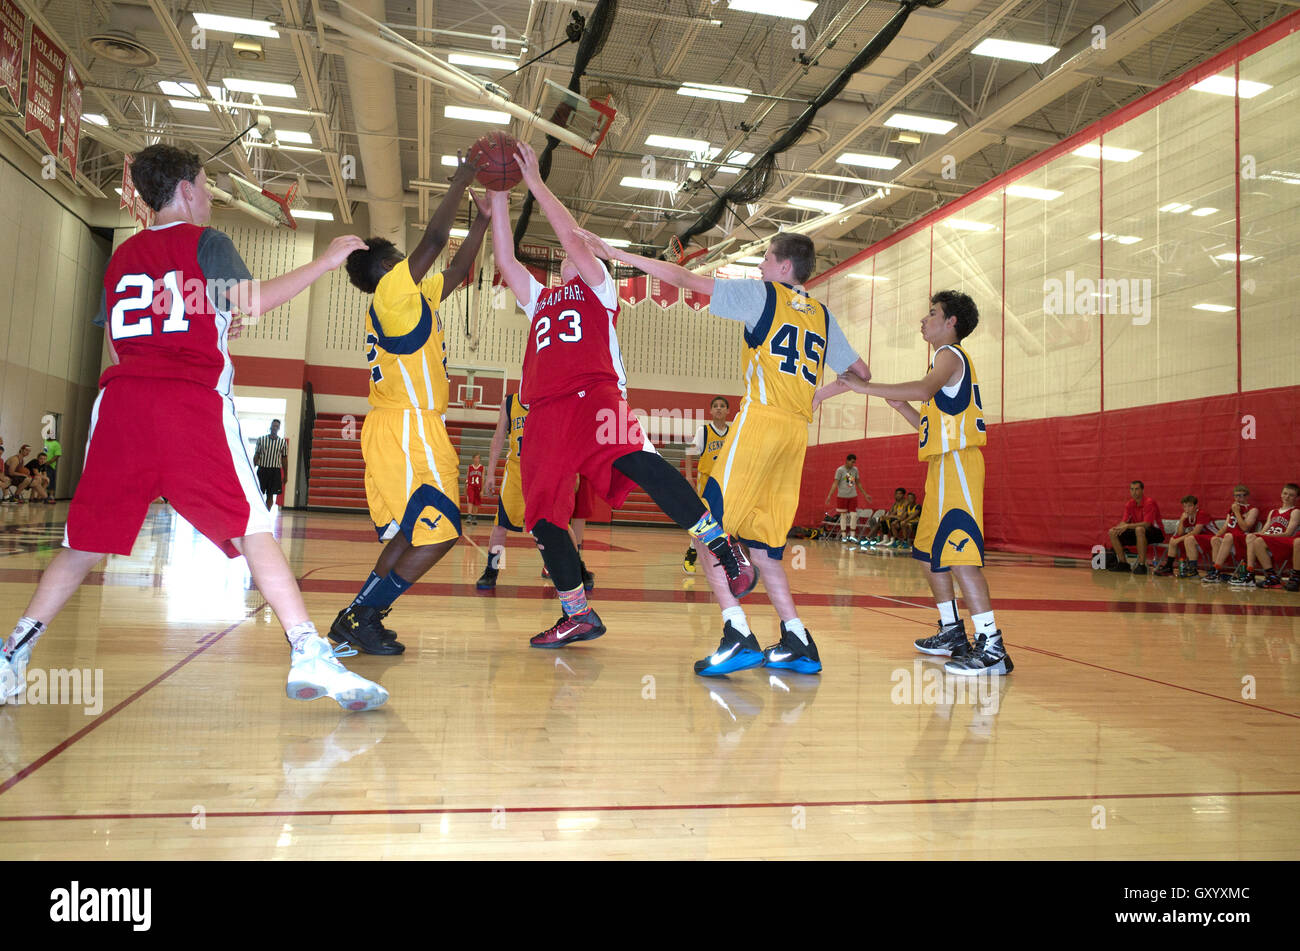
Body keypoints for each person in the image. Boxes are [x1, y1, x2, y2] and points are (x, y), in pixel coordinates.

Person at [0, 142, 386, 713]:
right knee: (254, 526)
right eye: (206, 186)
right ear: (185, 189)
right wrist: (326, 262)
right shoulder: (207, 242)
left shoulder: (123, 254)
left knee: (82, 543)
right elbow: (252, 302)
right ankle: (307, 650)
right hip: (189, 404)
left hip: (122, 405)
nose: (209, 197)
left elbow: (114, 341)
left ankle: (12, 654)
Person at [490, 143, 753, 650]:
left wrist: (535, 184)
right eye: (565, 256)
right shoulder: (540, 299)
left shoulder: (600, 286)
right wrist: (500, 196)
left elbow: (571, 236)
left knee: (642, 462)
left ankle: (721, 545)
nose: (568, 254)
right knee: (541, 518)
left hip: (595, 398)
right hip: (543, 414)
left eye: (574, 252)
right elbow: (504, 257)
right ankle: (577, 613)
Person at [578, 228, 868, 676]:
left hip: (759, 425)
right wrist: (816, 395)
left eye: (767, 259)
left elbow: (687, 280)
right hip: (795, 436)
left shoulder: (762, 296)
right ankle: (797, 638)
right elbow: (859, 373)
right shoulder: (823, 316)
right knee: (766, 549)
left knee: (706, 531)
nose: (760, 266)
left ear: (784, 268)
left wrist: (616, 251)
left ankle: (738, 634)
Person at [330, 154, 492, 655]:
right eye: (399, 257)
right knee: (441, 533)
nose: (408, 261)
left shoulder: (411, 298)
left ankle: (356, 619)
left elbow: (458, 268)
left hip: (407, 428)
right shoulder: (391, 295)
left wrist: (483, 220)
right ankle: (362, 616)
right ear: (386, 268)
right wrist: (462, 181)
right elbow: (436, 243)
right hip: (406, 431)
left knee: (407, 535)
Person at [829, 291, 1012, 676]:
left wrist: (867, 389)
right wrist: (901, 407)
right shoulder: (942, 365)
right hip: (941, 465)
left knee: (960, 557)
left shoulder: (950, 356)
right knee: (930, 556)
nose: (924, 320)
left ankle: (992, 646)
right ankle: (951, 631)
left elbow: (922, 388)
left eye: (932, 314)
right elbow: (928, 425)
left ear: (952, 323)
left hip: (958, 466)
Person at [683, 396, 732, 573]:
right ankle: (692, 551)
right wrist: (689, 476)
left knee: (724, 520)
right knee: (703, 520)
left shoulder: (732, 433)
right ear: (710, 411)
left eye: (722, 406)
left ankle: (721, 555)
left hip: (725, 483)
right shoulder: (703, 431)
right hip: (706, 481)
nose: (719, 409)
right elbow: (689, 452)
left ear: (728, 411)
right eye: (715, 406)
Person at [1231, 483, 1299, 589]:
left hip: (1282, 540)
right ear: (1281, 494)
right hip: (1268, 539)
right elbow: (1263, 531)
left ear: (1296, 498)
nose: (1287, 497)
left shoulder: (1295, 511)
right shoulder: (1273, 512)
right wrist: (1254, 534)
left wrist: (1267, 537)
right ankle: (1257, 574)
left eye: (1291, 495)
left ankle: (1260, 575)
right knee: (1250, 537)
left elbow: (1288, 533)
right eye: (1285, 493)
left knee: (1258, 540)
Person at [1201, 485, 1259, 584]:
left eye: (1241, 495)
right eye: (1236, 496)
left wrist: (1237, 512)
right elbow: (1225, 527)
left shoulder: (1252, 510)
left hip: (1243, 537)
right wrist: (1217, 535)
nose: (1238, 498)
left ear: (1247, 496)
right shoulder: (1232, 509)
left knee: (1228, 536)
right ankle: (1216, 572)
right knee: (1215, 540)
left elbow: (1245, 528)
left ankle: (1216, 570)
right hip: (1230, 537)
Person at [1106, 480, 1163, 575]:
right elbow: (1124, 522)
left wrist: (1127, 525)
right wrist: (1118, 528)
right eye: (1132, 489)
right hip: (1138, 532)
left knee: (1139, 529)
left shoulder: (1149, 502)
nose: (1134, 492)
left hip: (1156, 532)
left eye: (1137, 489)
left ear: (1142, 490)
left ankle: (1141, 565)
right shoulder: (1129, 504)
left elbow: (1147, 524)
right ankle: (1123, 563)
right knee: (1112, 532)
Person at [1154, 495, 1203, 577]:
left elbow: (1196, 532)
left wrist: (1179, 539)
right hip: (1196, 539)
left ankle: (1193, 569)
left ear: (1195, 506)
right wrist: (1181, 520)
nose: (1187, 509)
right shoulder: (1187, 517)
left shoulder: (1201, 514)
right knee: (1173, 539)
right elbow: (1180, 533)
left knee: (1188, 539)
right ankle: (1169, 567)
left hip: (1209, 537)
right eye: (1185, 507)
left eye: (1189, 506)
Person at [826, 452, 867, 543]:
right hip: (842, 496)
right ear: (847, 461)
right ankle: (844, 536)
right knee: (843, 516)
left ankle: (852, 536)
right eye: (852, 462)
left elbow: (858, 483)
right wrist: (829, 495)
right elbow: (835, 483)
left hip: (852, 495)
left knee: (854, 515)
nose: (853, 464)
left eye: (854, 462)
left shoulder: (855, 470)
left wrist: (865, 494)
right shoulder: (840, 470)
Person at [252, 419, 288, 509]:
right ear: (270, 426)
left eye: (277, 426)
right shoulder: (261, 439)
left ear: (279, 428)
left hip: (275, 471)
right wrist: (252, 469)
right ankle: (258, 511)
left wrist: (286, 475)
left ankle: (267, 511)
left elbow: (284, 459)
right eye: (273, 425)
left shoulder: (282, 442)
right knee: (258, 492)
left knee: (270, 494)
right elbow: (257, 454)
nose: (275, 428)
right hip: (262, 469)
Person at [465, 453, 485, 525]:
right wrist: (465, 487)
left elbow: (482, 479)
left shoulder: (482, 467)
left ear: (479, 459)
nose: (476, 459)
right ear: (473, 459)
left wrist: (482, 490)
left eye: (478, 458)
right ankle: (469, 515)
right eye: (475, 458)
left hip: (478, 487)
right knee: (470, 500)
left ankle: (474, 517)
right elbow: (467, 477)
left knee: (476, 502)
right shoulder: (470, 467)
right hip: (471, 486)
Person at [42, 434, 61, 500]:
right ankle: (44, 495)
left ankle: (51, 495)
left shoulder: (56, 444)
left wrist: (49, 462)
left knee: (51, 480)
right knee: (44, 480)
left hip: (50, 465)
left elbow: (57, 455)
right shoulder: (45, 442)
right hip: (43, 464)